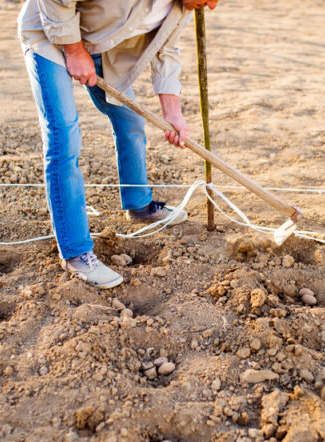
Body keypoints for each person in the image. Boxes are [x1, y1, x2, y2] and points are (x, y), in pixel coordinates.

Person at [18, 0, 219, 289]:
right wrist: (73, 50)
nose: (210, 6)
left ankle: (139, 205)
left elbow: (165, 50)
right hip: (49, 35)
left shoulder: (185, 6)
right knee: (64, 135)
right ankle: (75, 252)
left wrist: (172, 111)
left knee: (130, 121)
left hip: (101, 48)